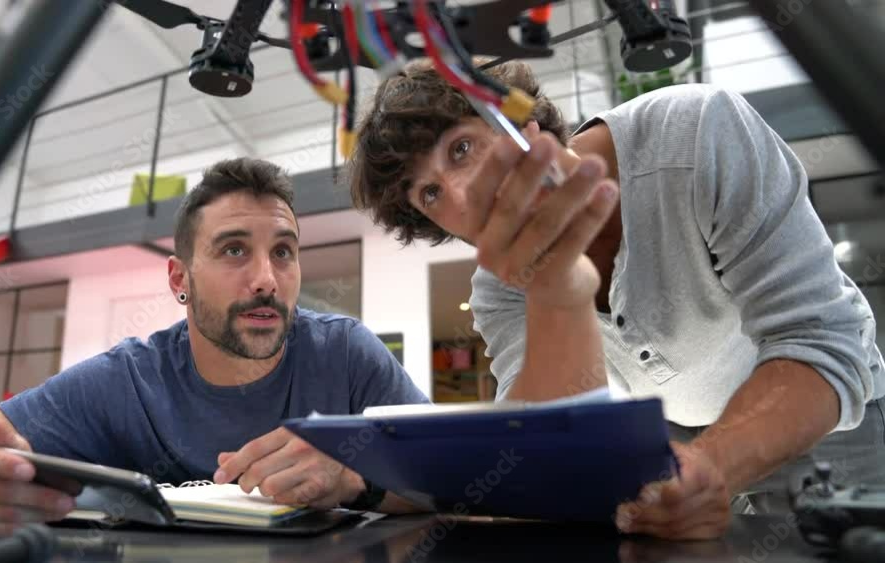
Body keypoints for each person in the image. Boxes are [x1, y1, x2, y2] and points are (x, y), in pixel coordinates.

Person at [348, 59, 885, 539]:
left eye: (461, 149)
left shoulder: (694, 134)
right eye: (431, 194)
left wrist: (711, 465)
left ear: (516, 121)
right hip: (677, 444)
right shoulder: (499, 290)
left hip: (827, 415)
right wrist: (554, 290)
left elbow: (817, 340)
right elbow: (547, 440)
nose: (461, 196)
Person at [0, 157, 429, 540]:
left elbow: (461, 483)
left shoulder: (348, 354)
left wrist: (357, 483)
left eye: (283, 252)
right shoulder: (126, 380)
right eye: (234, 249)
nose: (266, 278)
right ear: (179, 279)